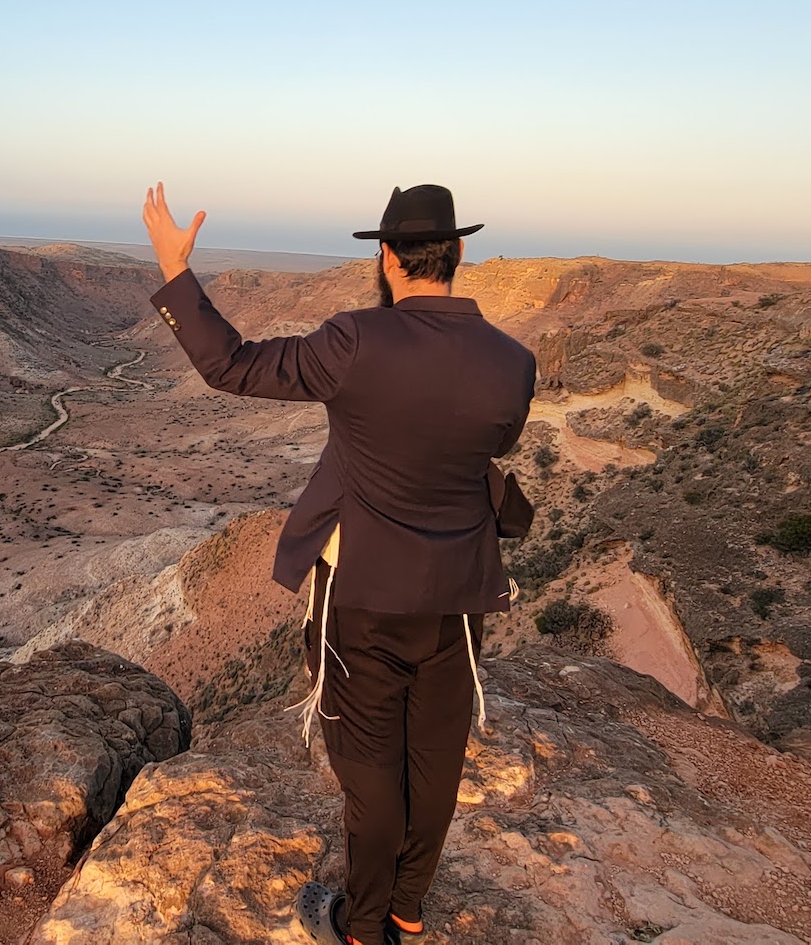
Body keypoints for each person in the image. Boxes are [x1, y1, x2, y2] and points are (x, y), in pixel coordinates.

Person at [140, 182, 536, 945]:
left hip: (363, 595)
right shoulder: (512, 363)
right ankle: (408, 907)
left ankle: (360, 924)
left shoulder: (356, 341)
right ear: (457, 255)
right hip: (457, 599)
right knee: (437, 757)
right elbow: (490, 449)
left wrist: (175, 272)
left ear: (387, 257)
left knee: (368, 765)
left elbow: (232, 366)